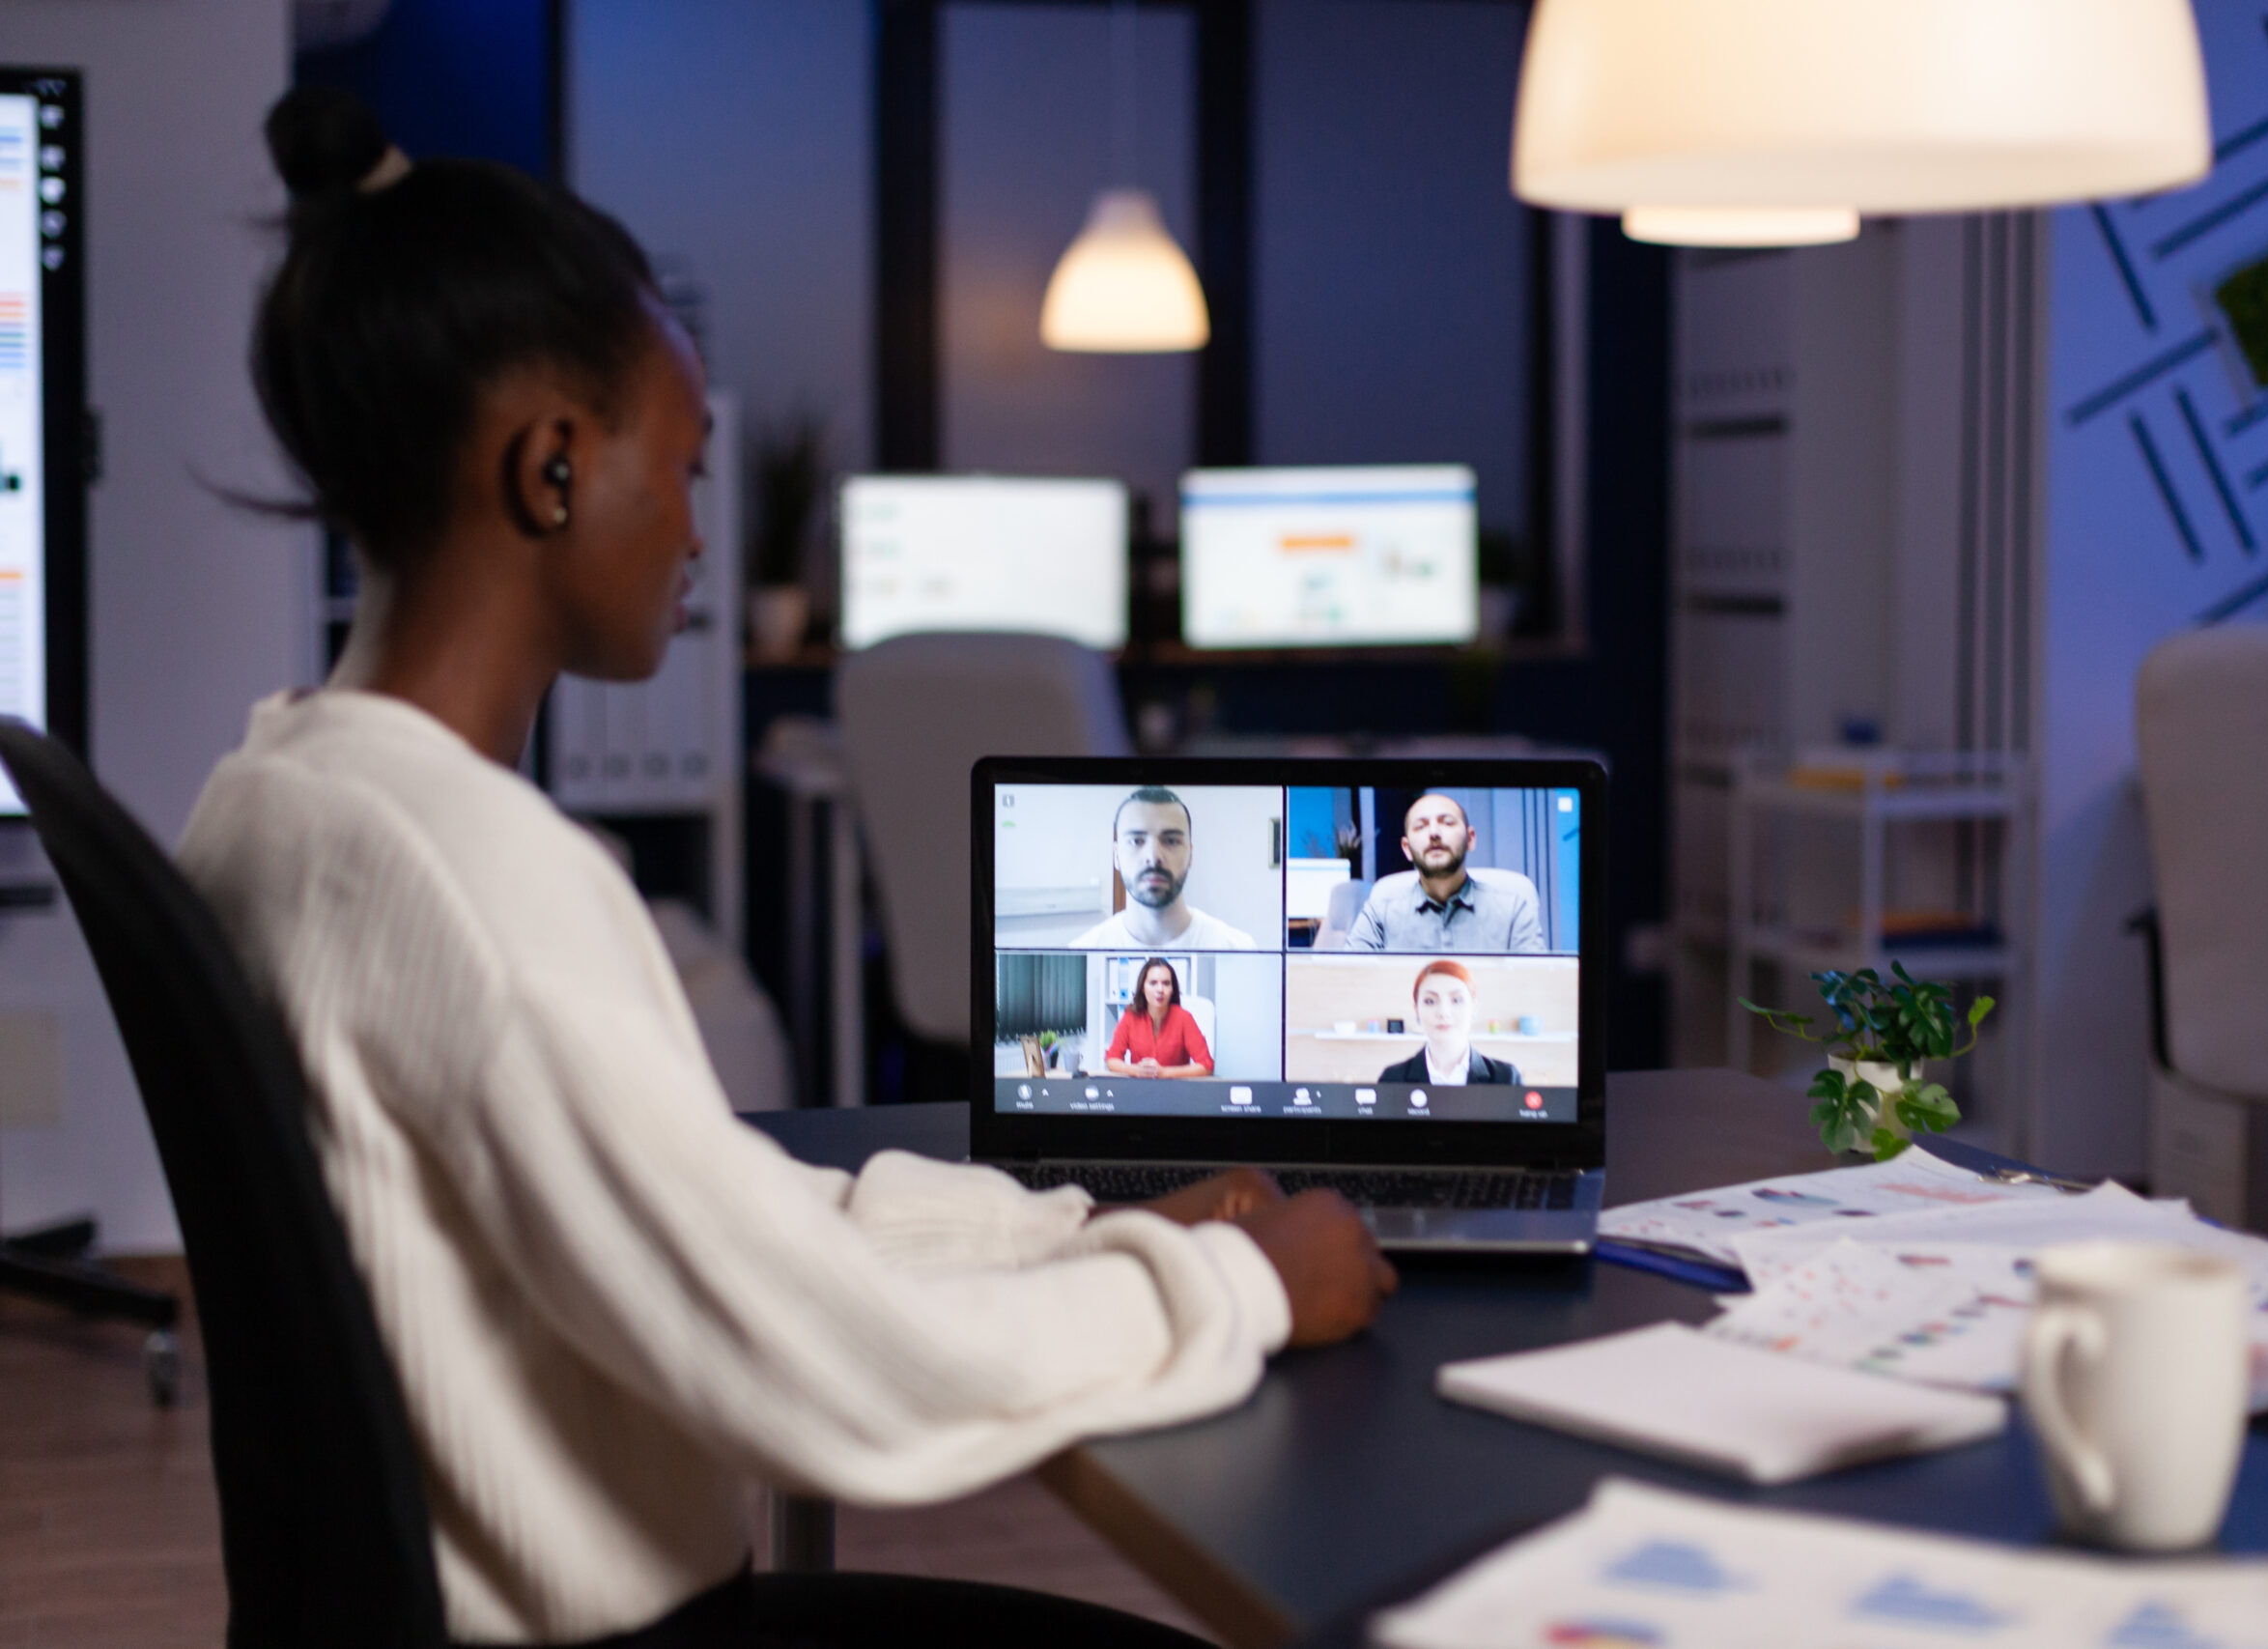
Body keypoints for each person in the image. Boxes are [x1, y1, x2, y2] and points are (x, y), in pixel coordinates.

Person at [177, 88, 1394, 1649]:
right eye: (682, 467)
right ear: (552, 466)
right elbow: (828, 1370)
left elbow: (717, 1209)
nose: (699, 532)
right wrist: (1246, 1293)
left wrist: (1086, 1223)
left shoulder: (281, 796)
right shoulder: (480, 878)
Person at [1345, 792, 1546, 952]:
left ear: (1471, 839)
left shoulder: (1513, 908)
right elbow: (1349, 979)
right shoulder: (1381, 909)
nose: (1434, 833)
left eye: (1447, 822)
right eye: (1421, 826)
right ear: (1406, 848)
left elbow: (1536, 986)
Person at [1070, 786, 1262, 950]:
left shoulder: (1238, 948)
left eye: (1170, 840)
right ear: (1116, 856)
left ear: (1191, 855)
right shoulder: (1083, 950)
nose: (1153, 857)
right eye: (1136, 841)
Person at [1377, 960, 1523, 1086]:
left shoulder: (1506, 1078)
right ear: (1417, 1010)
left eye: (1456, 1000)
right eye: (1430, 1001)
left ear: (1474, 1008)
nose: (1443, 1012)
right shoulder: (1392, 1078)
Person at [1104, 957, 1214, 1078]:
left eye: (1166, 983)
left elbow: (1206, 1065)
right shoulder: (1130, 1017)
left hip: (1176, 1091)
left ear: (1173, 989)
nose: (1160, 990)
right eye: (1153, 983)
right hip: (1140, 1090)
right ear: (1142, 988)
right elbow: (1112, 1059)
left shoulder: (1184, 1018)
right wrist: (1135, 1070)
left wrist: (1164, 1073)